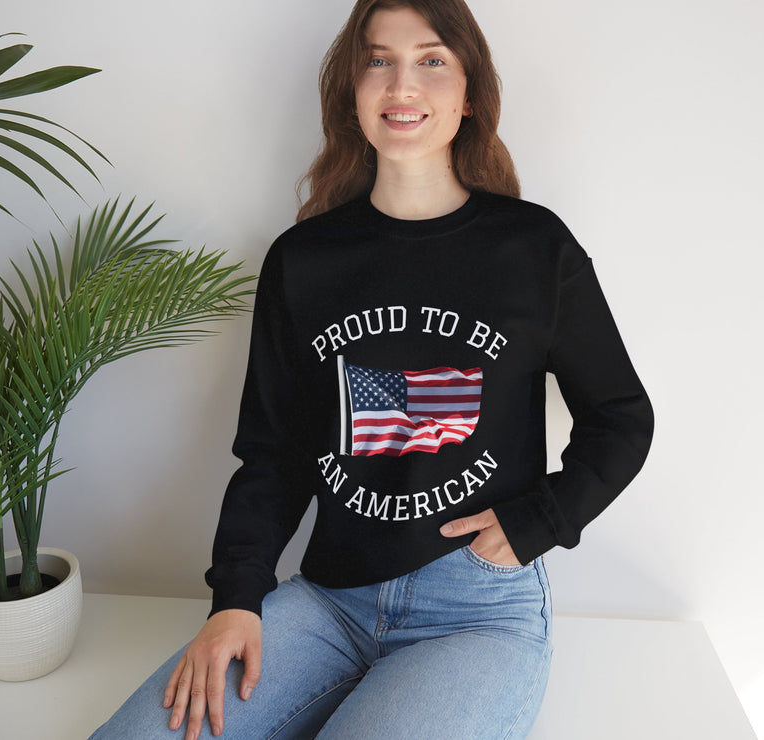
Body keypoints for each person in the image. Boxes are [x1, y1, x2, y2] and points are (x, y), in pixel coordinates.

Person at [90, 1, 653, 738]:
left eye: (430, 59)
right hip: (329, 598)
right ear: (351, 93)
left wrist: (538, 521)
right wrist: (236, 597)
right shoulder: (304, 259)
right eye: (377, 59)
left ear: (469, 95)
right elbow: (274, 451)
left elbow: (621, 416)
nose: (400, 83)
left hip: (475, 609)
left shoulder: (533, 248)